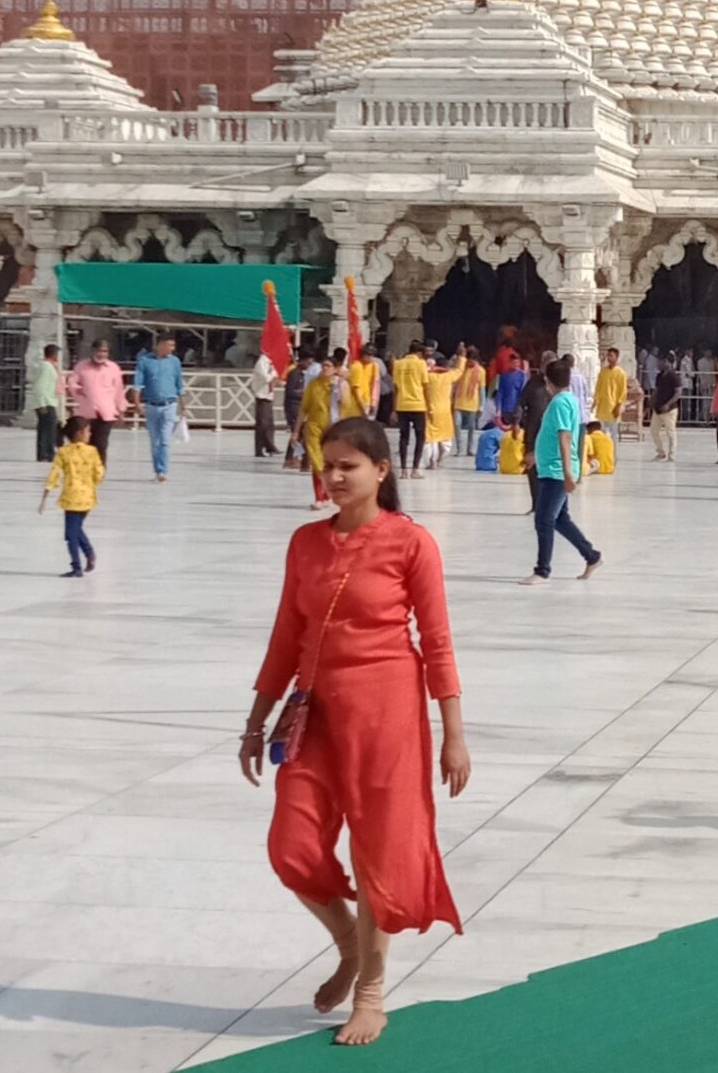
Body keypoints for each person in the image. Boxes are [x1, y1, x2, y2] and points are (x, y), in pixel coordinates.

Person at [242, 417, 469, 1047]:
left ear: (381, 470)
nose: (335, 476)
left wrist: (453, 733)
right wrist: (256, 721)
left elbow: (438, 643)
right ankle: (348, 945)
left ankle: (371, 992)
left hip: (386, 713)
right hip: (314, 712)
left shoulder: (411, 543)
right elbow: (286, 636)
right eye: (329, 464)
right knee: (292, 848)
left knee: (379, 851)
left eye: (349, 466)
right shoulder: (306, 543)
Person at [525, 357, 601, 584]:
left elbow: (565, 437)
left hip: (557, 471)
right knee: (560, 519)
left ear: (548, 381)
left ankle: (542, 570)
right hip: (551, 467)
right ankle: (592, 556)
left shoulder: (559, 403)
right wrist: (536, 455)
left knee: (544, 519)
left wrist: (568, 473)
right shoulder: (568, 400)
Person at [41, 414, 105, 576]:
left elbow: (54, 473)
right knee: (75, 530)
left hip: (72, 499)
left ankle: (77, 566)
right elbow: (99, 473)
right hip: (88, 498)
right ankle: (89, 554)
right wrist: (91, 484)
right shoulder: (92, 451)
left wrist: (46, 493)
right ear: (79, 433)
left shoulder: (64, 452)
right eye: (88, 431)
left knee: (71, 534)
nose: (90, 434)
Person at [133, 332, 184, 483]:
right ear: (160, 344)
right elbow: (138, 383)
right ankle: (157, 470)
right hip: (151, 406)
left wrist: (183, 404)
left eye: (173, 345)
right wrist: (137, 403)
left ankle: (163, 470)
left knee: (165, 440)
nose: (172, 348)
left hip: (169, 404)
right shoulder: (145, 361)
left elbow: (179, 383)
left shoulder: (174, 361)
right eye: (169, 345)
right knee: (155, 441)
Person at [67, 338, 126, 467]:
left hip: (106, 413)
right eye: (99, 351)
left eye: (104, 351)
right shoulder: (82, 366)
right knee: (84, 444)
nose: (101, 354)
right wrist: (79, 390)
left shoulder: (113, 368)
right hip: (86, 412)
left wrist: (121, 410)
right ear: (93, 351)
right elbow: (72, 383)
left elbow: (118, 390)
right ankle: (85, 470)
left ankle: (99, 471)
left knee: (101, 444)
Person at [299, 353, 340, 512]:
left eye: (328, 366)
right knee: (317, 462)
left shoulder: (339, 385)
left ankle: (326, 494)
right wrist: (296, 430)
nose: (324, 368)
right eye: (323, 365)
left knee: (329, 462)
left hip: (333, 428)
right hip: (314, 427)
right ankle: (318, 498)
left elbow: (346, 405)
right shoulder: (313, 385)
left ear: (335, 369)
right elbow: (304, 408)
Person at [391, 341, 430, 473]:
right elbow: (425, 386)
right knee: (420, 438)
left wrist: (394, 409)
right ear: (419, 353)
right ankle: (415, 469)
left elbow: (395, 389)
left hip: (402, 405)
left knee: (403, 437)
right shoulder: (421, 364)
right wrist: (429, 406)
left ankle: (403, 470)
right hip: (418, 405)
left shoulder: (398, 364)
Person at [24, 341, 65, 463]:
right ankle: (48, 452)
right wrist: (41, 403)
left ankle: (44, 453)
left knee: (45, 428)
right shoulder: (46, 367)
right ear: (53, 355)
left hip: (48, 400)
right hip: (46, 401)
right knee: (49, 429)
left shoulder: (48, 366)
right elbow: (40, 386)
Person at [250, 341, 282, 460]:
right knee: (262, 423)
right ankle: (262, 447)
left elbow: (276, 375)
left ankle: (269, 446)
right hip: (262, 395)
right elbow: (266, 377)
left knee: (269, 423)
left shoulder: (270, 362)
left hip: (268, 395)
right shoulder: (262, 362)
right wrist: (274, 374)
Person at [651, 354, 682, 461]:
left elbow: (678, 392)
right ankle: (660, 452)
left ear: (670, 363)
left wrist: (668, 404)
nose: (662, 363)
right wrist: (651, 401)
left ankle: (672, 454)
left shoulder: (674, 377)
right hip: (658, 408)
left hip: (669, 409)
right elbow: (656, 390)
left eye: (665, 361)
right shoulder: (659, 376)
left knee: (670, 432)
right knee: (654, 430)